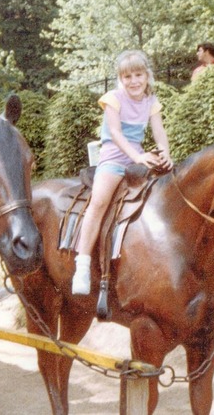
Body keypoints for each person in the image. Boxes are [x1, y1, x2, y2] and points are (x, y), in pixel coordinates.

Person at [72, 50, 173, 295]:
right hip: (114, 158)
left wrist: (165, 153)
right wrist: (137, 156)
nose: (134, 81)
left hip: (138, 159)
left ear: (147, 76)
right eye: (127, 76)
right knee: (98, 203)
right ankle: (82, 265)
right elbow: (116, 134)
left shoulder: (151, 102)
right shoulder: (113, 99)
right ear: (120, 78)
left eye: (138, 75)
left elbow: (158, 132)